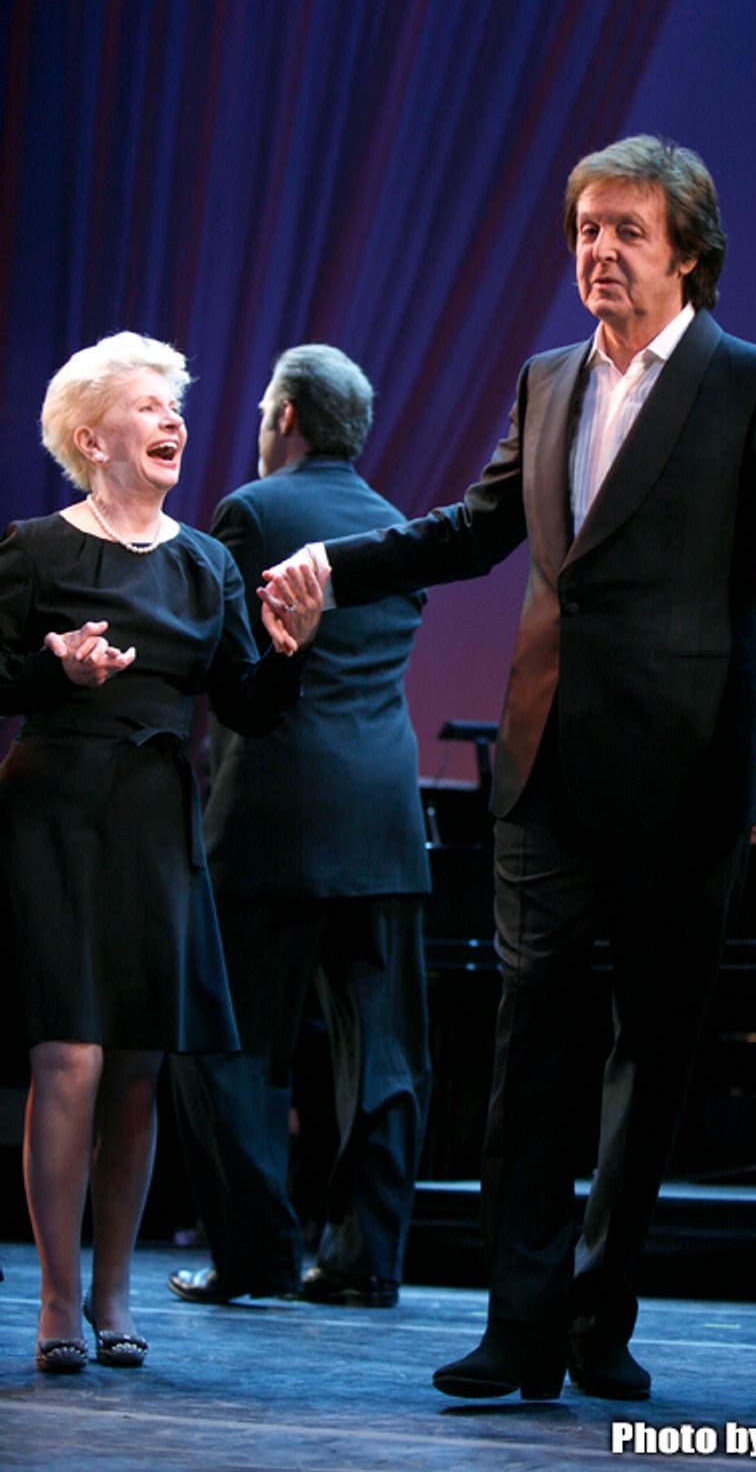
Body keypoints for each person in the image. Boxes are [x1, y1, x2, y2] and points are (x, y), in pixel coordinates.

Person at [266, 134, 756, 1401]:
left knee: (650, 1052)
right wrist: (336, 566)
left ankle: (604, 1316)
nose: (599, 251)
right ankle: (521, 1325)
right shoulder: (548, 378)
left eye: (627, 231)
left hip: (683, 775)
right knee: (532, 1038)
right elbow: (476, 529)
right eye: (587, 229)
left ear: (688, 254)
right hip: (543, 768)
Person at [0, 332, 321, 1374]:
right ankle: (56, 1300)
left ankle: (113, 1293)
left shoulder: (204, 564)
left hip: (151, 820)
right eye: (147, 405)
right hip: (55, 814)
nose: (172, 419)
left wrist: (290, 651)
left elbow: (248, 706)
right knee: (71, 1056)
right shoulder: (35, 550)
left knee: (137, 1063)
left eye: (174, 405)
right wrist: (54, 671)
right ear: (92, 439)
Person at [166, 344, 431, 1310]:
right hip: (383, 814)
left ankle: (256, 1256)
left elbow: (219, 657)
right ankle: (364, 1262)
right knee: (384, 1055)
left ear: (286, 416)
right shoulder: (399, 526)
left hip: (274, 814)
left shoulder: (253, 512)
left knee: (230, 1045)